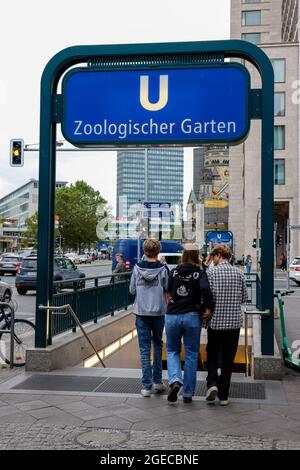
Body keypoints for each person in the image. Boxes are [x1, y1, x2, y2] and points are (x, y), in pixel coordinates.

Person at [165, 243, 213, 404]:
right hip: (192, 315)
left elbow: (168, 291)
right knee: (191, 354)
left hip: (172, 315)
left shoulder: (174, 271)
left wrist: (171, 301)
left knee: (172, 350)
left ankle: (175, 380)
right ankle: (187, 393)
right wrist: (207, 308)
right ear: (197, 254)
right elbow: (206, 290)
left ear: (184, 255)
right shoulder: (200, 273)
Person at [205, 245, 248, 406]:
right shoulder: (239, 273)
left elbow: (209, 297)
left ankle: (212, 384)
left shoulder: (212, 273)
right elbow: (244, 297)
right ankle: (223, 396)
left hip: (215, 322)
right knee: (228, 359)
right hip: (234, 323)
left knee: (212, 354)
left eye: (213, 257)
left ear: (218, 255)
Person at [129, 239, 169, 397]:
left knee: (144, 349)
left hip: (141, 312)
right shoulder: (163, 269)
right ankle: (158, 382)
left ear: (144, 251)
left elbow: (132, 290)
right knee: (158, 345)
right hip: (158, 312)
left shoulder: (137, 268)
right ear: (158, 251)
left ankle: (146, 386)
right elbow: (167, 288)